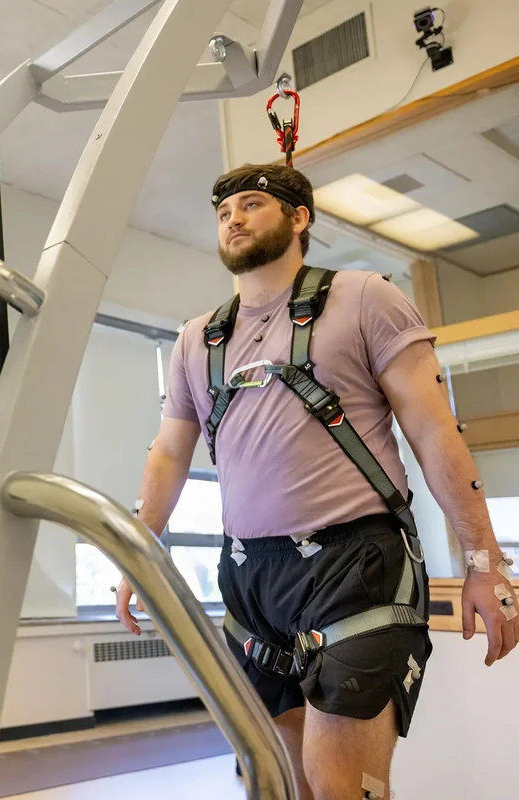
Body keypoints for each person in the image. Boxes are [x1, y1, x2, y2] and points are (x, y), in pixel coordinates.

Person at [113, 164, 519, 800]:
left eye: (252, 205)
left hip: (354, 566)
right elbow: (168, 452)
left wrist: (483, 560)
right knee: (278, 780)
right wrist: (138, 550)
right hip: (249, 577)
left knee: (339, 784)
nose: (235, 219)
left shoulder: (364, 298)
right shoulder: (197, 338)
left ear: (300, 218)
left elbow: (435, 432)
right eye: (224, 213)